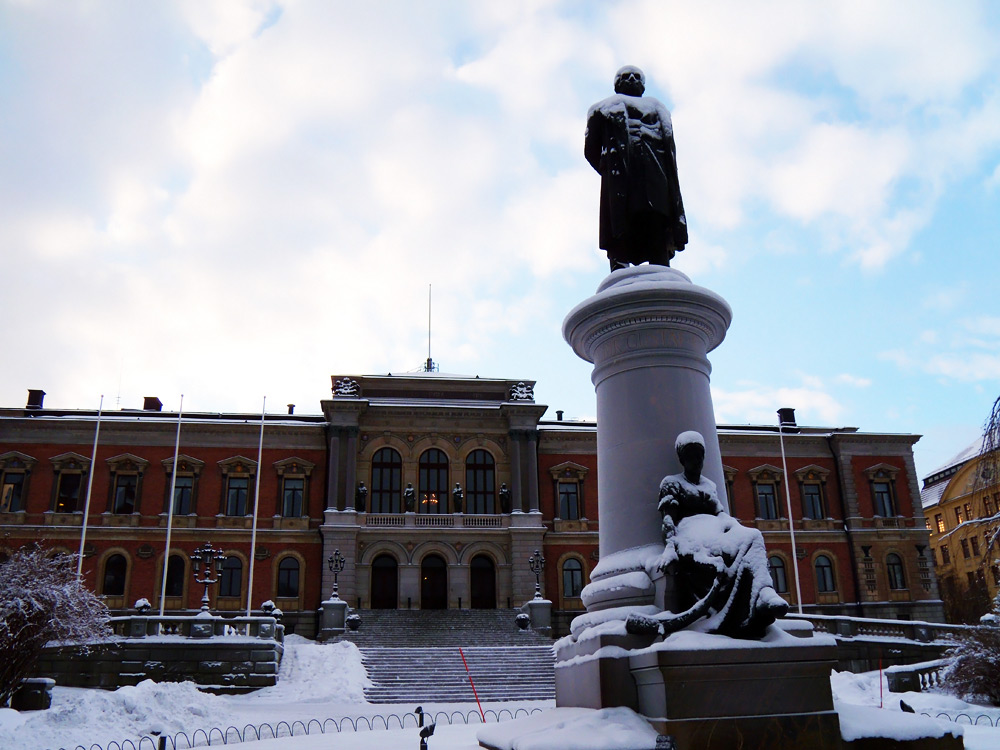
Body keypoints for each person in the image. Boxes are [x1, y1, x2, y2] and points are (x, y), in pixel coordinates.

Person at [629, 430, 788, 639]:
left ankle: (763, 593)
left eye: (699, 455)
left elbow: (720, 514)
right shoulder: (672, 483)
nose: (697, 460)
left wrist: (737, 529)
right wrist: (669, 547)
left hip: (715, 533)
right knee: (731, 552)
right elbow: (668, 519)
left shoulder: (709, 485)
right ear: (682, 459)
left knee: (754, 536)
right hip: (690, 539)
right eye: (691, 456)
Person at [585, 65, 688, 271]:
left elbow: (669, 150)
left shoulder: (657, 108)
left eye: (636, 76)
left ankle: (660, 269)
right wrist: (611, 169)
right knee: (620, 226)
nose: (631, 79)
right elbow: (591, 150)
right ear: (616, 84)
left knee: (656, 225)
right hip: (621, 181)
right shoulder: (603, 109)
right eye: (625, 76)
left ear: (643, 84)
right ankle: (620, 270)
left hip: (655, 179)